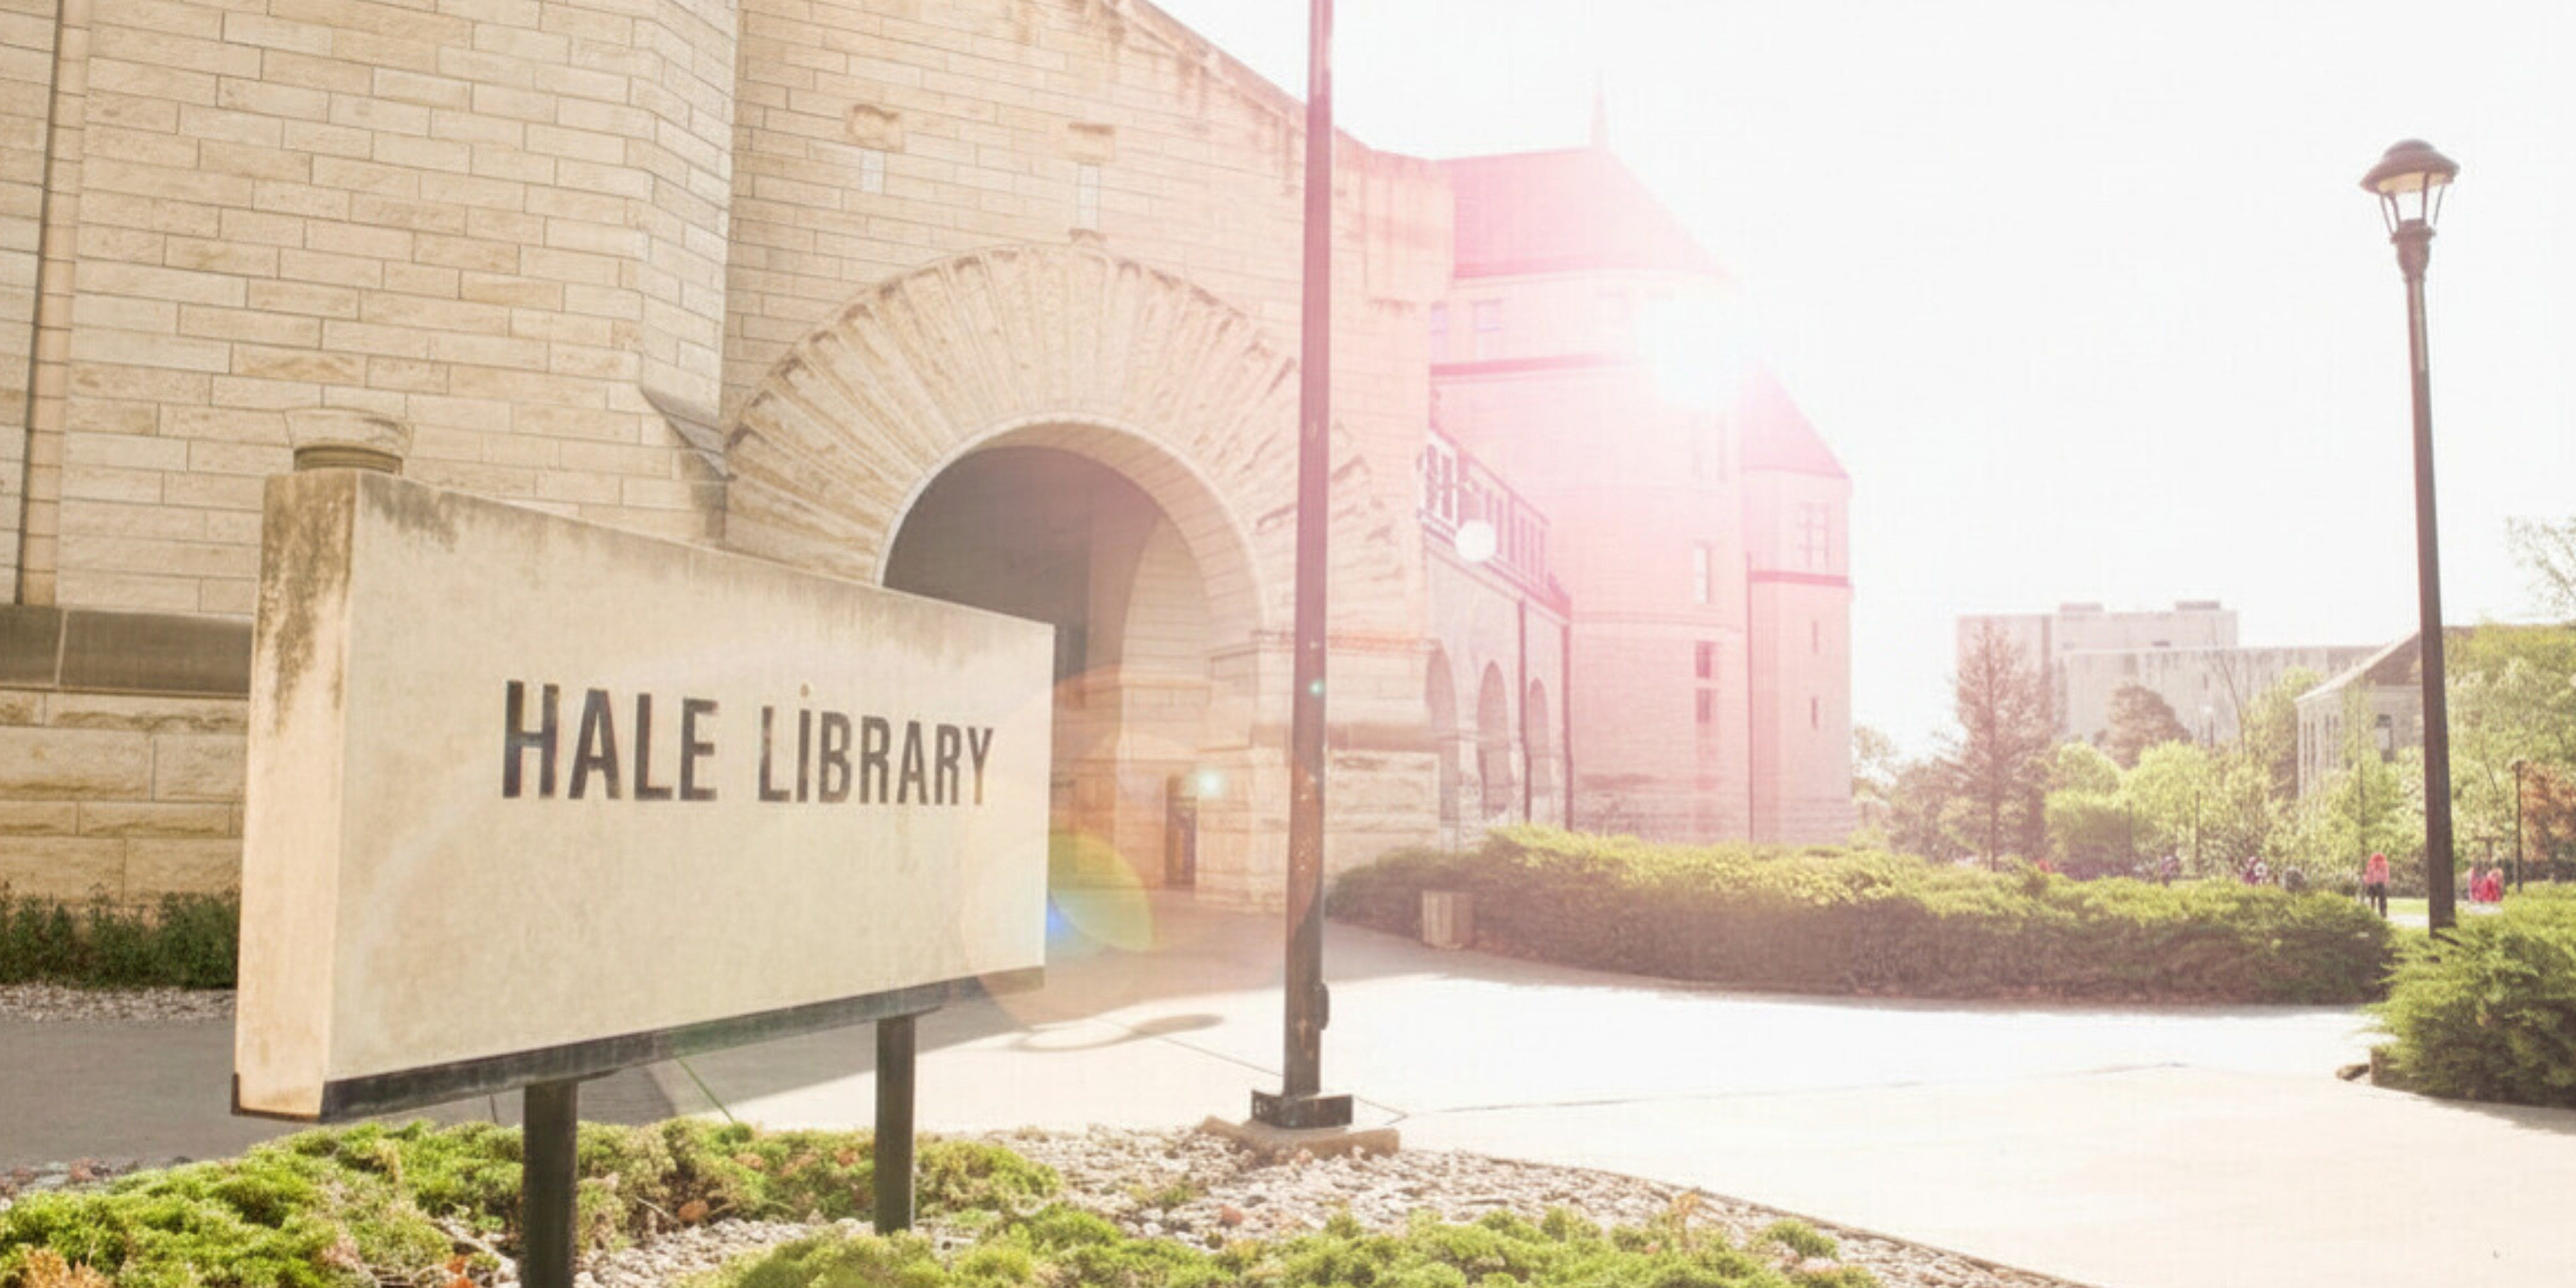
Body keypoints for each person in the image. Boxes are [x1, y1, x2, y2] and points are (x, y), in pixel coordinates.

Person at [2364, 851, 2389, 917]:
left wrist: (2367, 882)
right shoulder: (2384, 864)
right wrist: (2386, 882)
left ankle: (2371, 912)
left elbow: (2369, 874)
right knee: (2382, 899)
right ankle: (2383, 913)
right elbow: (2386, 875)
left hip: (2372, 884)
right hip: (2380, 883)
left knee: (2372, 899)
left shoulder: (2370, 864)